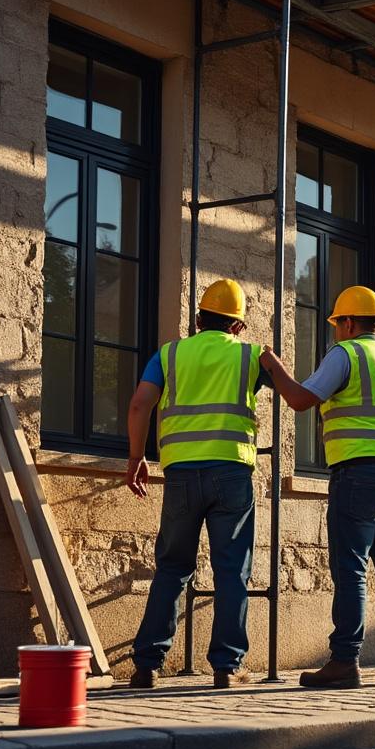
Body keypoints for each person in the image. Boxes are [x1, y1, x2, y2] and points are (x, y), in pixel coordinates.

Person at [260, 286, 375, 689]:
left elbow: (301, 400)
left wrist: (273, 367)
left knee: (350, 568)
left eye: (337, 324)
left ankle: (345, 661)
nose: (336, 331)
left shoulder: (346, 354)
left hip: (360, 473)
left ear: (348, 323)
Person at [125, 280, 268, 689]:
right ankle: (227, 666)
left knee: (172, 567)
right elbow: (295, 393)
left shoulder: (169, 354)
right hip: (232, 473)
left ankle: (147, 664)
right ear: (238, 325)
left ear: (199, 318)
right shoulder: (250, 355)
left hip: (181, 475)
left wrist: (136, 458)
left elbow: (139, 404)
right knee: (232, 571)